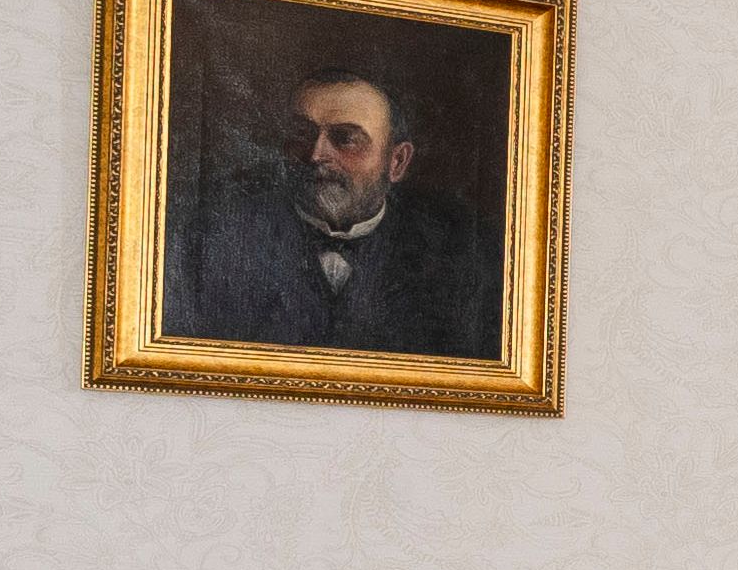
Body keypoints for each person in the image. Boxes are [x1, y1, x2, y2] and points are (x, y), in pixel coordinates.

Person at [171, 70, 498, 361]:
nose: (316, 155)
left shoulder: (459, 258)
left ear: (396, 162)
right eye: (302, 133)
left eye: (345, 139)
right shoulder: (214, 240)